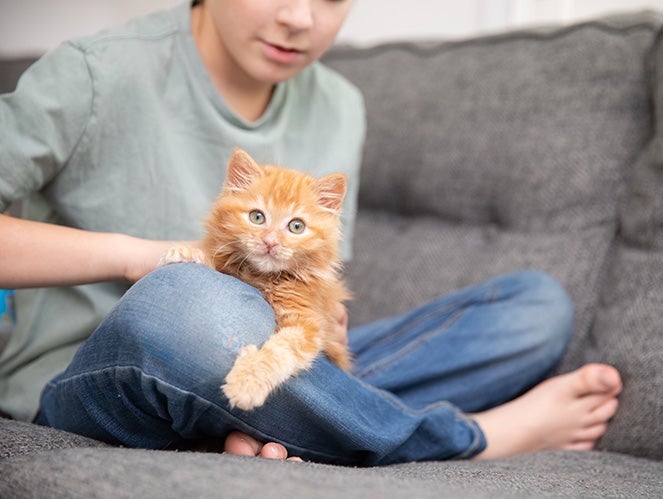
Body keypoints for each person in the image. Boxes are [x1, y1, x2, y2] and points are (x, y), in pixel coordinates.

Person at [0, 0, 622, 464]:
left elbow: (312, 281)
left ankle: (288, 422)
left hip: (268, 360)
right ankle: (468, 438)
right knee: (187, 303)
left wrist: (325, 326)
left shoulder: (339, 105)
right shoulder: (96, 72)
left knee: (534, 309)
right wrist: (139, 258)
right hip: (97, 381)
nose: (300, 18)